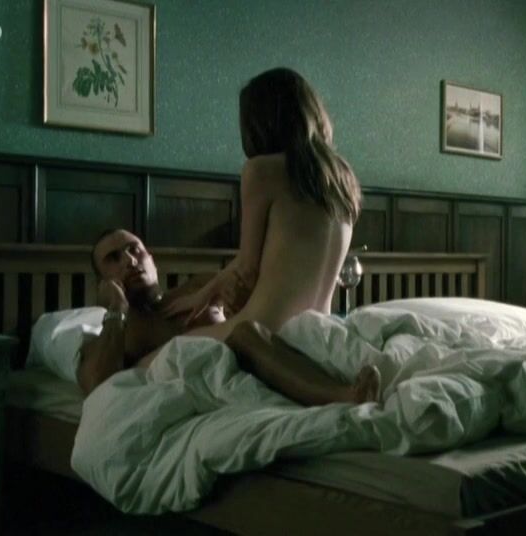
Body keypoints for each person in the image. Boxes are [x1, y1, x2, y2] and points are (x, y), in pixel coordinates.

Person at [159, 67, 374, 407]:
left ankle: (338, 396)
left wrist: (203, 298)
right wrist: (207, 292)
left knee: (159, 358)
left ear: (259, 121)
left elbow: (247, 267)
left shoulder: (261, 171)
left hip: (268, 329)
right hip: (318, 330)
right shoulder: (343, 178)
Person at [78, 228, 377, 405]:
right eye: (114, 258)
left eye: (135, 250)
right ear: (102, 283)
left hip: (267, 355)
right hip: (223, 374)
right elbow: (96, 388)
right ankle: (342, 396)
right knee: (243, 335)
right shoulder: (116, 330)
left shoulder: (199, 287)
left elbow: (270, 311)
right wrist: (116, 310)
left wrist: (235, 295)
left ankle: (355, 372)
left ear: (152, 260)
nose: (130, 260)